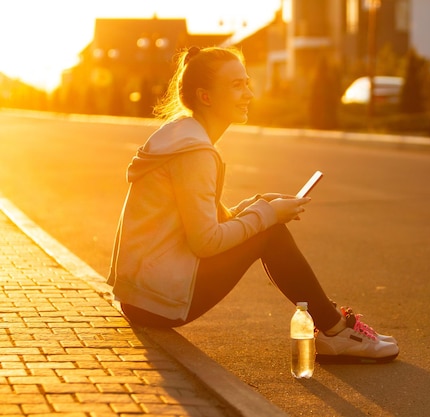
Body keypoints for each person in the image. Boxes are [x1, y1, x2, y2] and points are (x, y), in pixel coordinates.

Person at [107, 46, 398, 363]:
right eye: (236, 85)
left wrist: (257, 204)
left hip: (143, 293)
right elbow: (206, 242)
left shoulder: (182, 137)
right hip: (157, 301)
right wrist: (267, 215)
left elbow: (204, 222)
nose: (248, 93)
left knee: (267, 223)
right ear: (206, 97)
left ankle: (333, 328)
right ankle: (336, 330)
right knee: (270, 234)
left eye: (246, 82)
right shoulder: (194, 153)